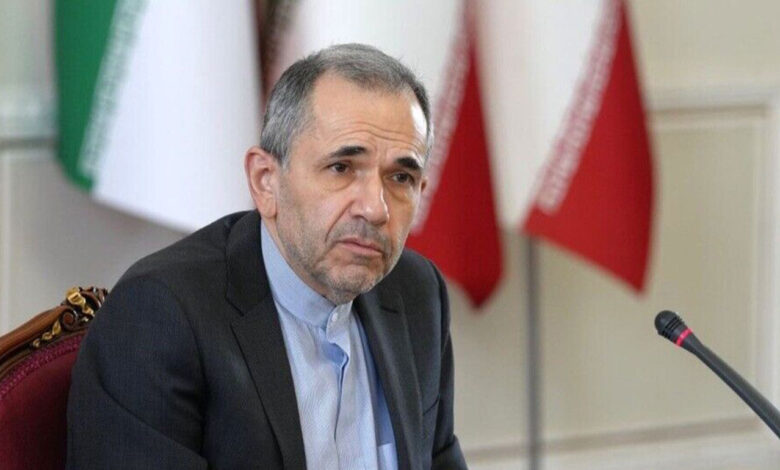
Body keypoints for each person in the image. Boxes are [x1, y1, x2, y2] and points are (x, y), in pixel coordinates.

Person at [67, 43, 467, 470]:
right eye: (342, 168)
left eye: (401, 177)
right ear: (265, 181)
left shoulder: (416, 292)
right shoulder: (160, 315)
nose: (375, 208)